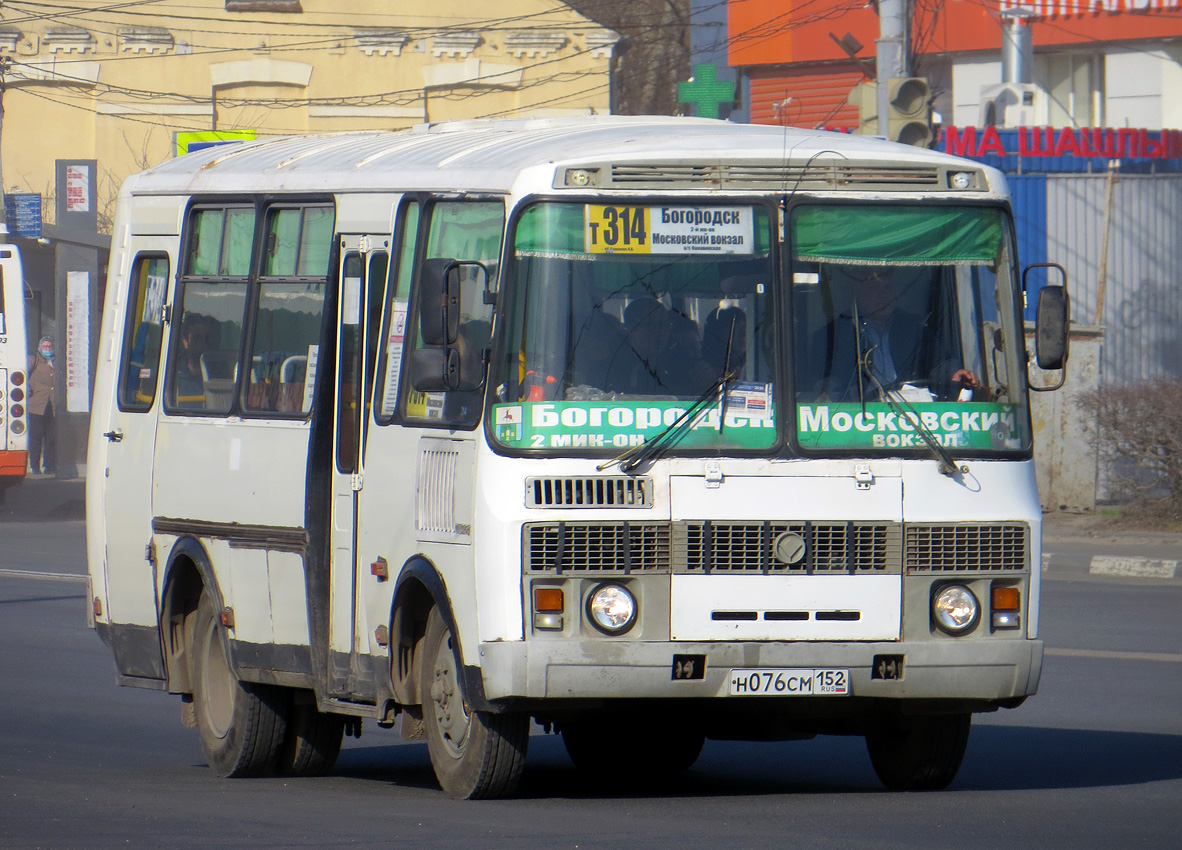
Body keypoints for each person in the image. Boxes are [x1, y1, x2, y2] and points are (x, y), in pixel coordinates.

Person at [813, 267, 977, 402]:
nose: (883, 294)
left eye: (888, 288)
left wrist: (955, 373)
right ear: (856, 292)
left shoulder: (914, 328)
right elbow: (826, 388)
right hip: (862, 420)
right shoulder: (831, 336)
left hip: (913, 416)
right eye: (874, 287)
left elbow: (940, 363)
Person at [26, 336, 56, 476]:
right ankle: (35, 466)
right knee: (36, 437)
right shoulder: (34, 360)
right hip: (36, 405)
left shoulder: (56, 362)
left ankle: (49, 465)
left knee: (50, 438)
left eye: (49, 347)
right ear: (39, 348)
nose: (48, 349)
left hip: (52, 405)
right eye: (45, 347)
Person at [174, 313, 218, 407]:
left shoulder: (221, 374)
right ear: (185, 342)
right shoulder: (173, 375)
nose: (202, 344)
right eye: (196, 338)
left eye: (206, 339)